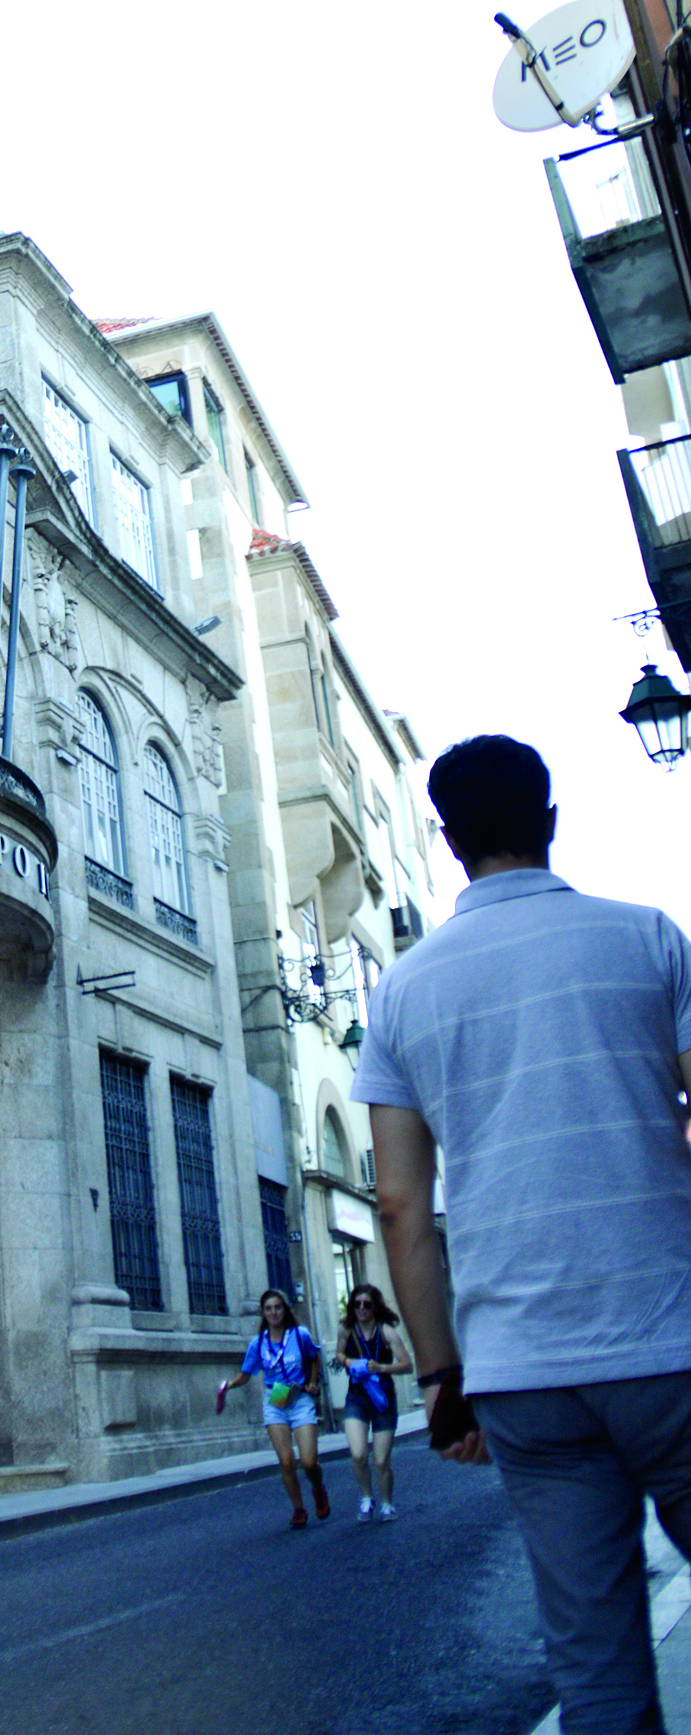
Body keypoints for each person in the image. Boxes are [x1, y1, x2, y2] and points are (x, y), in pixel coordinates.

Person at [352, 734, 691, 1734]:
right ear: (549, 820)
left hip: (524, 1376)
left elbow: (402, 1209)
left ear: (449, 842)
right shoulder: (647, 939)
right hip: (671, 1340)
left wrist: (439, 1378)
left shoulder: (404, 991)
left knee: (596, 1672)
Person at [218, 1288, 330, 1528]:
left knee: (309, 1461)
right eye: (268, 1309)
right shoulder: (258, 1343)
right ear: (263, 1313)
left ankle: (318, 1487)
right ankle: (299, 1509)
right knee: (287, 1461)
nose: (274, 1312)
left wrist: (312, 1381)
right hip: (276, 1400)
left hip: (299, 1399)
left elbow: (314, 1357)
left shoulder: (299, 1335)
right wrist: (229, 1385)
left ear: (285, 1309)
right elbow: (245, 1375)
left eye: (278, 1307)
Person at [332, 1283, 412, 1521]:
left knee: (381, 1460)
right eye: (357, 1304)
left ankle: (387, 1503)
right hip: (356, 1397)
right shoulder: (346, 1330)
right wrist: (348, 1363)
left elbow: (407, 1365)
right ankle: (367, 1497)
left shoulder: (386, 1332)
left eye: (367, 1304)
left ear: (375, 1306)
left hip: (383, 1399)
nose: (362, 1308)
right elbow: (338, 1354)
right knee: (357, 1454)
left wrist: (382, 1367)